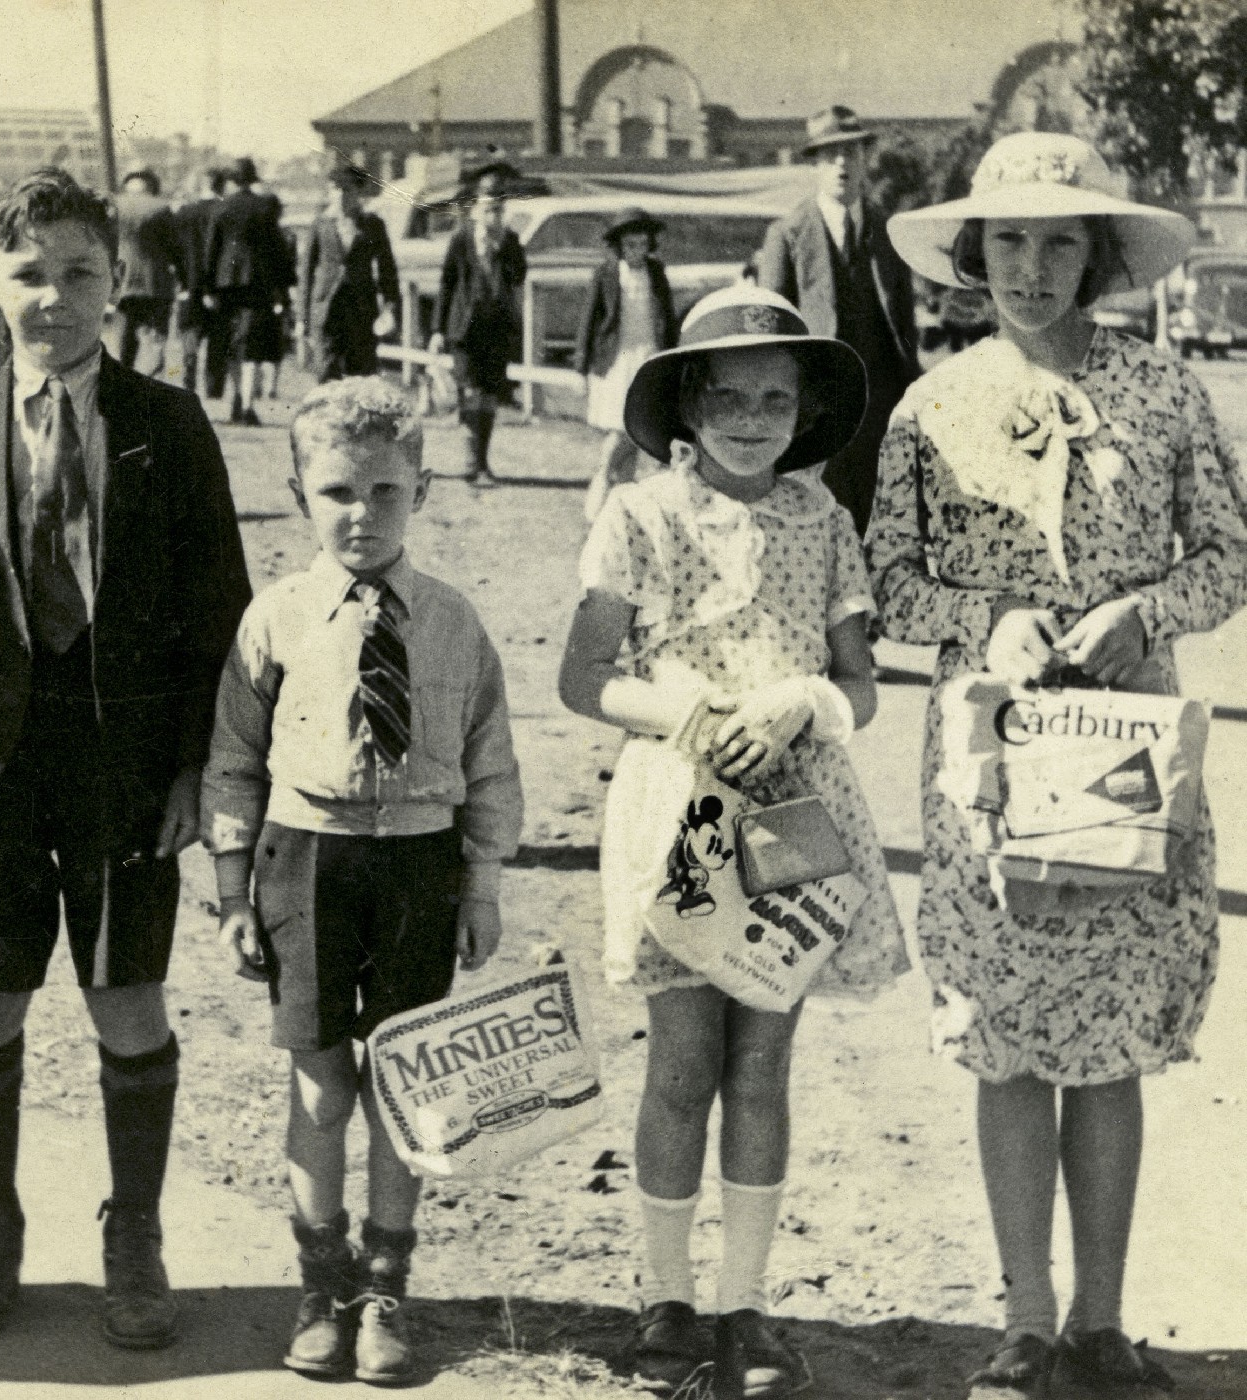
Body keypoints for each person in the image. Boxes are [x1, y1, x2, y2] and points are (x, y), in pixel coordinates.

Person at [867, 131, 1247, 1399]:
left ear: (1097, 256)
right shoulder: (930, 402)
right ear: (973, 255)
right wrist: (988, 617)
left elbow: (1228, 557)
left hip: (1127, 750)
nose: (1030, 268)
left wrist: (1141, 609)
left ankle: (1100, 1317)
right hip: (987, 756)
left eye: (1057, 242)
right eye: (1009, 241)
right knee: (1007, 1035)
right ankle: (1021, 1319)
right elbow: (889, 579)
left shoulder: (1161, 389)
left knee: (1109, 1039)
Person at [0, 167, 252, 1350]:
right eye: (28, 275)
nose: (55, 297)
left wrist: (199, 767)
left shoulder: (169, 425)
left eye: (80, 273)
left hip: (128, 769)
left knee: (126, 997)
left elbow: (219, 613)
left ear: (119, 283)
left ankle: (132, 1230)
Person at [558, 284, 908, 1399]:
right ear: (685, 401)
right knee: (680, 1063)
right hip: (677, 809)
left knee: (761, 1063)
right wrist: (685, 714)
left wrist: (804, 697)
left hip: (794, 813)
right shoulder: (639, 514)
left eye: (773, 396)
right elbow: (582, 675)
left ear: (802, 410)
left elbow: (861, 683)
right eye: (728, 395)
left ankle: (743, 1302)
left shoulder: (822, 521)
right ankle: (664, 1296)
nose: (751, 417)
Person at [201, 377, 523, 1384]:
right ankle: (320, 1278)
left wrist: (480, 883)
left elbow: (489, 757)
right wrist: (228, 889)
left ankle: (386, 1284)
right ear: (300, 491)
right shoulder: (278, 616)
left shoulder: (453, 621)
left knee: (402, 1079)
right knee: (319, 1078)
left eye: (384, 491)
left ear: (419, 489)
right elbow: (232, 760)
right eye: (337, 490)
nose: (361, 514)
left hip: (419, 859)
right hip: (306, 856)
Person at [756, 105, 920, 535]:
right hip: (817, 412)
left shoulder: (890, 232)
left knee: (882, 526)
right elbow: (768, 335)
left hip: (881, 410)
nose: (843, 164)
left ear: (867, 158)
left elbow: (905, 328)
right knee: (815, 522)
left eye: (851, 152)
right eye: (830, 155)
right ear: (814, 164)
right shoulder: (788, 236)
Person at [574, 207, 678, 522]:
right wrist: (581, 367)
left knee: (638, 430)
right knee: (620, 429)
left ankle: (621, 505)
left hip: (648, 357)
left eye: (642, 245)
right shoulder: (605, 274)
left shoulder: (656, 273)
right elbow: (588, 322)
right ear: (619, 245)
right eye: (630, 245)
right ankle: (603, 476)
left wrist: (671, 358)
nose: (636, 252)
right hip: (616, 360)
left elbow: (667, 318)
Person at [429, 167, 527, 484]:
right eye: (488, 209)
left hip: (495, 331)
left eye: (499, 209)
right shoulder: (461, 241)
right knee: (469, 392)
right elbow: (446, 285)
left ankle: (483, 461)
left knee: (488, 396)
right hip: (464, 331)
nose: (493, 215)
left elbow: (519, 277)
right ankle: (471, 461)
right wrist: (437, 330)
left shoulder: (510, 242)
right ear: (475, 209)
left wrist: (500, 251)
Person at [205, 155, 295, 425]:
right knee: (252, 344)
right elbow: (278, 250)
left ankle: (237, 398)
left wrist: (207, 288)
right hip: (258, 282)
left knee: (231, 342)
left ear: (231, 180)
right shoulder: (264, 207)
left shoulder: (221, 209)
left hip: (225, 283)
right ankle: (246, 403)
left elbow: (211, 250)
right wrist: (284, 287)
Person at [303, 163, 400, 383]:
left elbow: (387, 270)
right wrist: (303, 317)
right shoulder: (320, 224)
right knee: (326, 372)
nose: (340, 196)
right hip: (325, 310)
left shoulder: (373, 225)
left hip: (361, 310)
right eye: (335, 189)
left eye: (346, 190)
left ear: (358, 193)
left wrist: (390, 306)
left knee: (361, 375)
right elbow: (306, 272)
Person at [110, 167, 181, 377]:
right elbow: (175, 247)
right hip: (156, 282)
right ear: (151, 184)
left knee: (124, 340)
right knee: (156, 340)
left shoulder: (114, 207)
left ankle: (123, 382)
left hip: (123, 281)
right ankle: (149, 383)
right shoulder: (162, 207)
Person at [173, 165, 229, 398]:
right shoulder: (225, 211)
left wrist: (181, 281)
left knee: (190, 335)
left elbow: (175, 250)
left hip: (189, 283)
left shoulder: (185, 212)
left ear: (202, 184)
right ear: (222, 185)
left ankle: (188, 381)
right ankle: (214, 389)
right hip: (219, 285)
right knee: (218, 339)